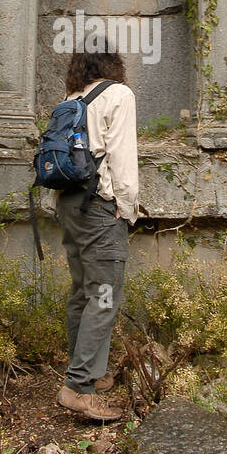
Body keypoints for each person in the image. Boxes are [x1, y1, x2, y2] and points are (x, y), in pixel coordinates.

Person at [54, 40, 139, 423]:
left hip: (69, 205)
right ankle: (78, 387)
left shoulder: (71, 98)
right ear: (113, 65)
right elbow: (122, 156)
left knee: (83, 292)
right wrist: (128, 208)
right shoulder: (118, 95)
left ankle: (91, 372)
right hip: (101, 207)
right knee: (104, 295)